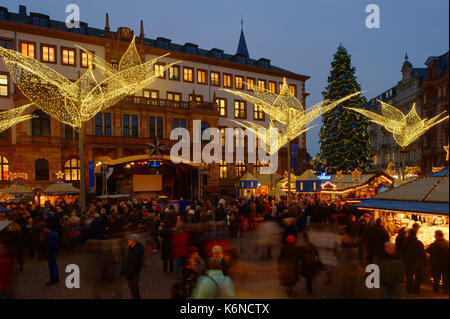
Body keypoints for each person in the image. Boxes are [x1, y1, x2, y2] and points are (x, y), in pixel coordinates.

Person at [403, 228, 427, 295]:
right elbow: (422, 253)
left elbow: (402, 251)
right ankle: (416, 290)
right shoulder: (419, 243)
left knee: (409, 277)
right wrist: (425, 262)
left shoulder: (405, 242)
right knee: (417, 277)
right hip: (417, 262)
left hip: (408, 262)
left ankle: (409, 290)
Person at [121, 234, 145, 299]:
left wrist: (127, 273)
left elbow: (132, 265)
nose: (128, 241)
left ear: (133, 241)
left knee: (134, 292)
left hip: (132, 275)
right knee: (135, 291)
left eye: (130, 240)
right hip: (135, 274)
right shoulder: (135, 249)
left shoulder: (134, 253)